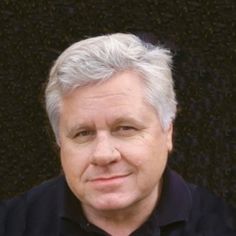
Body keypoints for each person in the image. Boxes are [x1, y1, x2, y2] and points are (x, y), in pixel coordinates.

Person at [1, 33, 235, 236]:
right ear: (59, 142)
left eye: (125, 129)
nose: (103, 155)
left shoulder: (223, 226)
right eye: (83, 133)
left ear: (168, 132)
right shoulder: (11, 225)